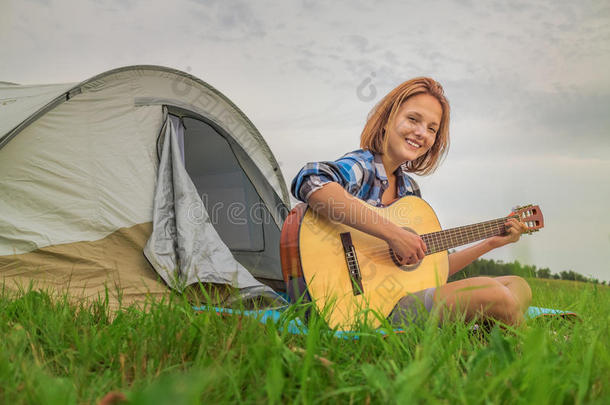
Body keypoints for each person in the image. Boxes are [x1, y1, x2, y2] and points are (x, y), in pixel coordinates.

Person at [291, 77, 531, 326]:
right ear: (386, 121)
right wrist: (393, 234)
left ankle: (494, 327)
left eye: (431, 128)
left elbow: (434, 268)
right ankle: (533, 346)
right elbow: (311, 181)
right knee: (491, 293)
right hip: (361, 305)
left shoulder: (409, 192)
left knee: (518, 285)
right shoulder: (363, 166)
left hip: (399, 298)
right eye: (413, 119)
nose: (421, 133)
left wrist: (490, 243)